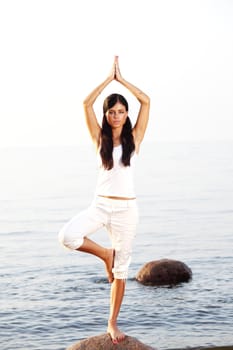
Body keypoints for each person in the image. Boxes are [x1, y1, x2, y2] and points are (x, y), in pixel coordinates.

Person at [58, 56, 150, 344]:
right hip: (100, 205)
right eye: (112, 111)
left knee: (121, 271)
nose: (117, 115)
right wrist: (106, 80)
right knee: (68, 236)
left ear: (126, 114)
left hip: (126, 210)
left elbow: (146, 101)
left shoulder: (135, 137)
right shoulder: (99, 138)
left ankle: (112, 323)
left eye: (121, 111)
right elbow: (86, 104)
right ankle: (104, 254)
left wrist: (121, 80)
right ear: (106, 114)